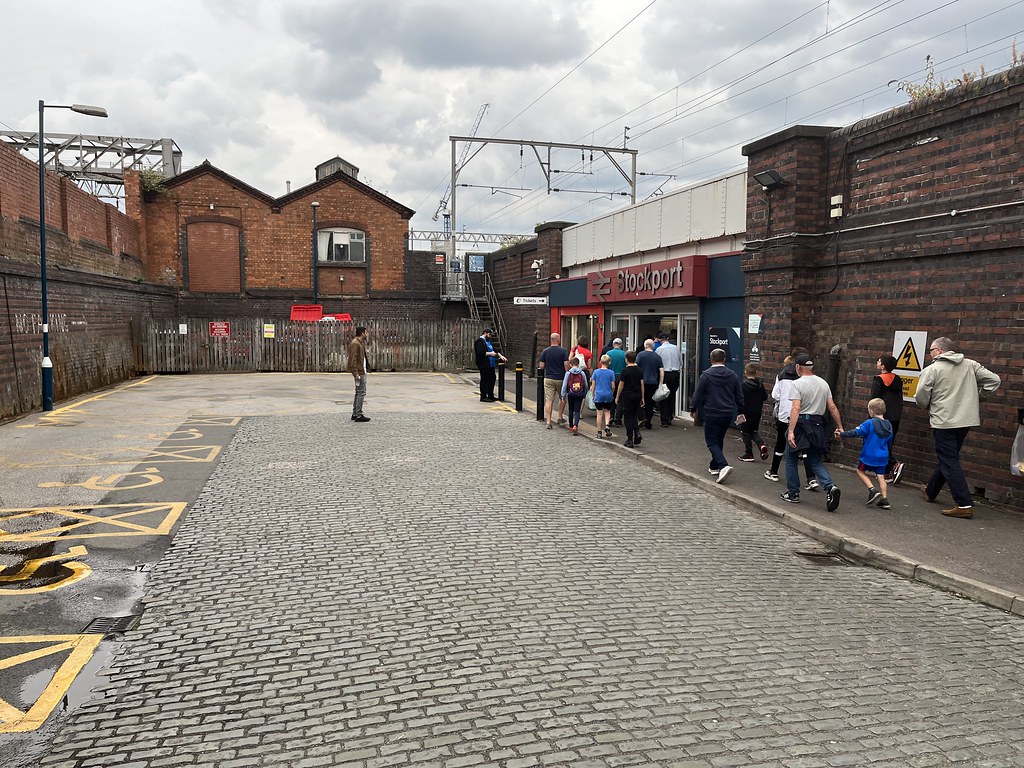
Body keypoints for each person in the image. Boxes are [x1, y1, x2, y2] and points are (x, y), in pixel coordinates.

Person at [915, 337, 1001, 518]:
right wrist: (978, 397)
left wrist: (926, 406)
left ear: (939, 351)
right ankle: (931, 491)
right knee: (949, 457)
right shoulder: (971, 365)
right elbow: (994, 380)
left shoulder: (932, 370)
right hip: (966, 420)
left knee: (949, 460)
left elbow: (921, 396)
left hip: (944, 421)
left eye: (931, 351)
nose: (930, 354)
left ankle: (964, 504)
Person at [782, 354, 845, 511]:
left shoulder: (797, 384)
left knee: (791, 458)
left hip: (801, 423)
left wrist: (791, 431)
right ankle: (830, 487)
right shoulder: (823, 383)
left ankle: (793, 493)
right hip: (817, 424)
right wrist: (839, 426)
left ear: (798, 367)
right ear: (811, 367)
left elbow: (796, 408)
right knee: (815, 459)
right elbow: (832, 407)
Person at [689, 348, 745, 484]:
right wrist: (741, 410)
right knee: (719, 438)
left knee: (711, 441)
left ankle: (723, 465)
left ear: (711, 359)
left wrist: (693, 408)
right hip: (728, 412)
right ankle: (714, 466)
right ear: (724, 360)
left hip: (712, 412)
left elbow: (698, 394)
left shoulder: (706, 375)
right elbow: (739, 395)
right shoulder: (732, 375)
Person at [766, 352, 816, 487]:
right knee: (804, 446)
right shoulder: (808, 377)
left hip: (785, 414)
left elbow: (775, 395)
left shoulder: (782, 375)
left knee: (781, 443)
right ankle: (811, 478)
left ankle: (774, 472)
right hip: (802, 414)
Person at [836, 398, 894, 509]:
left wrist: (842, 434)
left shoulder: (869, 423)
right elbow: (890, 442)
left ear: (871, 411)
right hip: (883, 456)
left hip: (869, 455)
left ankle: (872, 490)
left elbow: (856, 432)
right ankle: (884, 499)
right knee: (881, 477)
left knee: (860, 471)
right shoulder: (889, 425)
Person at [869, 354, 905, 483]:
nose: (877, 363)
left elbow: (874, 399)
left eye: (879, 361)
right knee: (888, 443)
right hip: (895, 417)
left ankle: (894, 464)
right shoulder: (898, 379)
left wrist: (871, 417)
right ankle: (886, 473)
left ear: (883, 366)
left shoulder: (878, 380)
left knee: (880, 444)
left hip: (882, 417)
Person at [739, 363, 769, 462]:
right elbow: (765, 397)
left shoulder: (743, 385)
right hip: (757, 412)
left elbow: (740, 399)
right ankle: (761, 445)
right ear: (756, 372)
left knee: (745, 431)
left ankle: (749, 454)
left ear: (745, 372)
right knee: (753, 431)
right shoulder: (760, 385)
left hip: (745, 412)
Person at [539, 333, 569, 430]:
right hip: (560, 379)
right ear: (558, 340)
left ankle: (548, 421)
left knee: (549, 400)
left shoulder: (545, 351)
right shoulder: (563, 351)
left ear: (551, 340)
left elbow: (541, 366)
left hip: (548, 379)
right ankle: (559, 417)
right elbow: (566, 365)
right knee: (562, 398)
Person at [615, 350, 645, 448]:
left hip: (627, 395)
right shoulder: (639, 370)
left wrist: (617, 396)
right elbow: (642, 384)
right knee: (634, 415)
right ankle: (637, 432)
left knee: (628, 417)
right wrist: (642, 397)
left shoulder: (625, 371)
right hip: (637, 395)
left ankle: (629, 438)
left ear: (626, 359)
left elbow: (621, 385)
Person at [636, 339, 664, 430]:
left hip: (642, 382)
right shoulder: (657, 357)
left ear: (645, 345)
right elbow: (661, 371)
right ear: (653, 346)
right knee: (650, 403)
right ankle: (648, 422)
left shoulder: (640, 355)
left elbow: (636, 367)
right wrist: (660, 383)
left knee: (640, 400)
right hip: (653, 382)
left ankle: (642, 417)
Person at [655, 332, 681, 427]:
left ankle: (664, 419)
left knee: (663, 396)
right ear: (668, 338)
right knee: (672, 395)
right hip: (675, 374)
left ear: (659, 340)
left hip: (664, 374)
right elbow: (680, 362)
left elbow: (657, 363)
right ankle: (670, 416)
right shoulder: (676, 348)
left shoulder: (659, 349)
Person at [474, 328, 506, 402]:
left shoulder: (488, 341)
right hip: (484, 364)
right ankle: (483, 396)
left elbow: (494, 349)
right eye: (490, 334)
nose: (490, 336)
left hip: (490, 364)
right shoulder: (479, 341)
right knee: (485, 379)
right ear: (485, 333)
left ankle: (490, 395)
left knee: (492, 378)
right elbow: (480, 353)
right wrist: (490, 354)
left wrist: (501, 356)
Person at [346, 326, 371, 423]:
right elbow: (353, 359)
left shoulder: (359, 342)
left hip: (361, 370)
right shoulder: (355, 343)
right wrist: (356, 373)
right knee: (361, 392)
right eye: (366, 332)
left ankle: (355, 413)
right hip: (359, 371)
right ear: (362, 333)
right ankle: (359, 415)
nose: (367, 334)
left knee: (358, 392)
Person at [561, 358, 590, 435]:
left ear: (570, 365)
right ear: (578, 364)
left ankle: (571, 426)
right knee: (577, 410)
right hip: (579, 393)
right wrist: (584, 393)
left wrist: (563, 396)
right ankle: (575, 426)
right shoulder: (582, 373)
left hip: (571, 393)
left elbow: (564, 386)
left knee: (571, 409)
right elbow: (586, 385)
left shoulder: (568, 373)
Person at [590, 354, 616, 439]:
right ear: (609, 363)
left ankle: (599, 432)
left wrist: (593, 395)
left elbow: (593, 385)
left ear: (600, 362)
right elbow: (613, 386)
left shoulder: (596, 372)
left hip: (599, 394)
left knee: (599, 413)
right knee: (607, 411)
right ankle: (607, 426)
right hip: (608, 394)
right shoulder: (611, 372)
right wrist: (612, 393)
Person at [606, 338, 627, 427]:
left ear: (613, 344)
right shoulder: (624, 354)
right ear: (621, 344)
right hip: (622, 378)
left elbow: (606, 365)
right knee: (620, 398)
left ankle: (611, 416)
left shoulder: (608, 353)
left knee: (611, 397)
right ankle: (618, 419)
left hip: (611, 377)